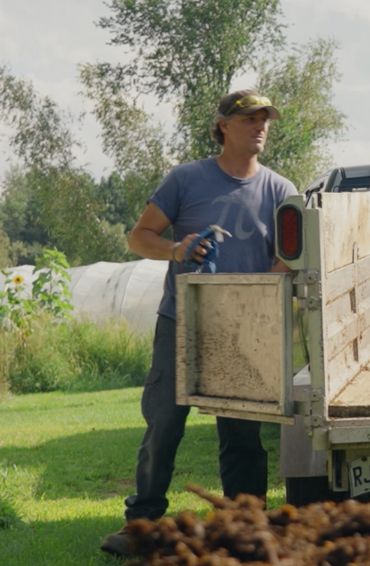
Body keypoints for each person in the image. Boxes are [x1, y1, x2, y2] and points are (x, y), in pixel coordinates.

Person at [101, 90, 299, 557]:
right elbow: (139, 237)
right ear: (224, 126)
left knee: (242, 434)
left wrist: (254, 295)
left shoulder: (279, 189)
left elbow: (289, 258)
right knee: (164, 426)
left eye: (265, 118)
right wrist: (175, 248)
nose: (260, 126)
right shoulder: (187, 179)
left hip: (244, 329)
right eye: (249, 118)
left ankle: (243, 526)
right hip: (183, 322)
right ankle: (142, 524)